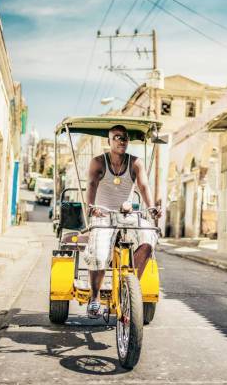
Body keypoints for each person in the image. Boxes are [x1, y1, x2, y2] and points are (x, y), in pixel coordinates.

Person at [84, 125, 161, 318]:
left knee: (147, 237)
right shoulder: (98, 162)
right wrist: (91, 206)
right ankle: (94, 297)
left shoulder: (135, 163)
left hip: (127, 214)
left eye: (125, 138)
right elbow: (92, 184)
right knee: (100, 251)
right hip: (103, 214)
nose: (121, 141)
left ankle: (130, 286)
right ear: (109, 141)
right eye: (116, 137)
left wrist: (151, 207)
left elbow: (143, 185)